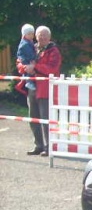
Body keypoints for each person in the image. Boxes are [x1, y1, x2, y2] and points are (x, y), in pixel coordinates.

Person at [17, 26, 61, 156]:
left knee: (45, 119)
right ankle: (38, 145)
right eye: (40, 35)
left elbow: (52, 69)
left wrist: (34, 67)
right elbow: (19, 61)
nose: (42, 38)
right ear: (35, 36)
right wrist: (25, 67)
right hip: (32, 87)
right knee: (33, 118)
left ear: (49, 37)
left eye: (44, 36)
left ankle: (48, 147)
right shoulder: (32, 47)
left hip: (45, 89)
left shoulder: (54, 51)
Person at [14, 24, 37, 95]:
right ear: (24, 35)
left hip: (25, 58)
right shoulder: (25, 44)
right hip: (25, 59)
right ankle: (29, 82)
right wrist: (33, 59)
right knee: (28, 70)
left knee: (27, 71)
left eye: (32, 34)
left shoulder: (29, 41)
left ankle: (21, 84)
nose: (31, 36)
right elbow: (29, 53)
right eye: (29, 34)